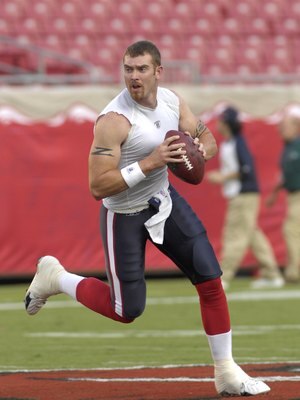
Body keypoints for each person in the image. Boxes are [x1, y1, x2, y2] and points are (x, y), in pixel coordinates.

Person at [24, 41, 270, 396]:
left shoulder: (171, 100)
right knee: (127, 309)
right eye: (128, 69)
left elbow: (205, 137)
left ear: (158, 71)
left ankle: (227, 372)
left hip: (163, 201)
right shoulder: (114, 120)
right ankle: (55, 277)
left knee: (210, 280)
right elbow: (98, 186)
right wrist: (151, 162)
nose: (133, 76)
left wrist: (200, 151)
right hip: (123, 214)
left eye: (141, 69)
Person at [207, 106, 284, 290]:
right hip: (243, 195)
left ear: (227, 123)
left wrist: (222, 177)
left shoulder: (238, 143)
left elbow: (246, 169)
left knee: (235, 235)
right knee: (252, 235)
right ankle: (272, 274)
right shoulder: (231, 142)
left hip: (244, 195)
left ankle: (224, 275)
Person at [266, 105, 300, 283]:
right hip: (293, 195)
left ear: (296, 125)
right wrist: (273, 194)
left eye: (284, 126)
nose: (280, 129)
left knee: (291, 230)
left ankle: (294, 272)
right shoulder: (288, 148)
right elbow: (284, 176)